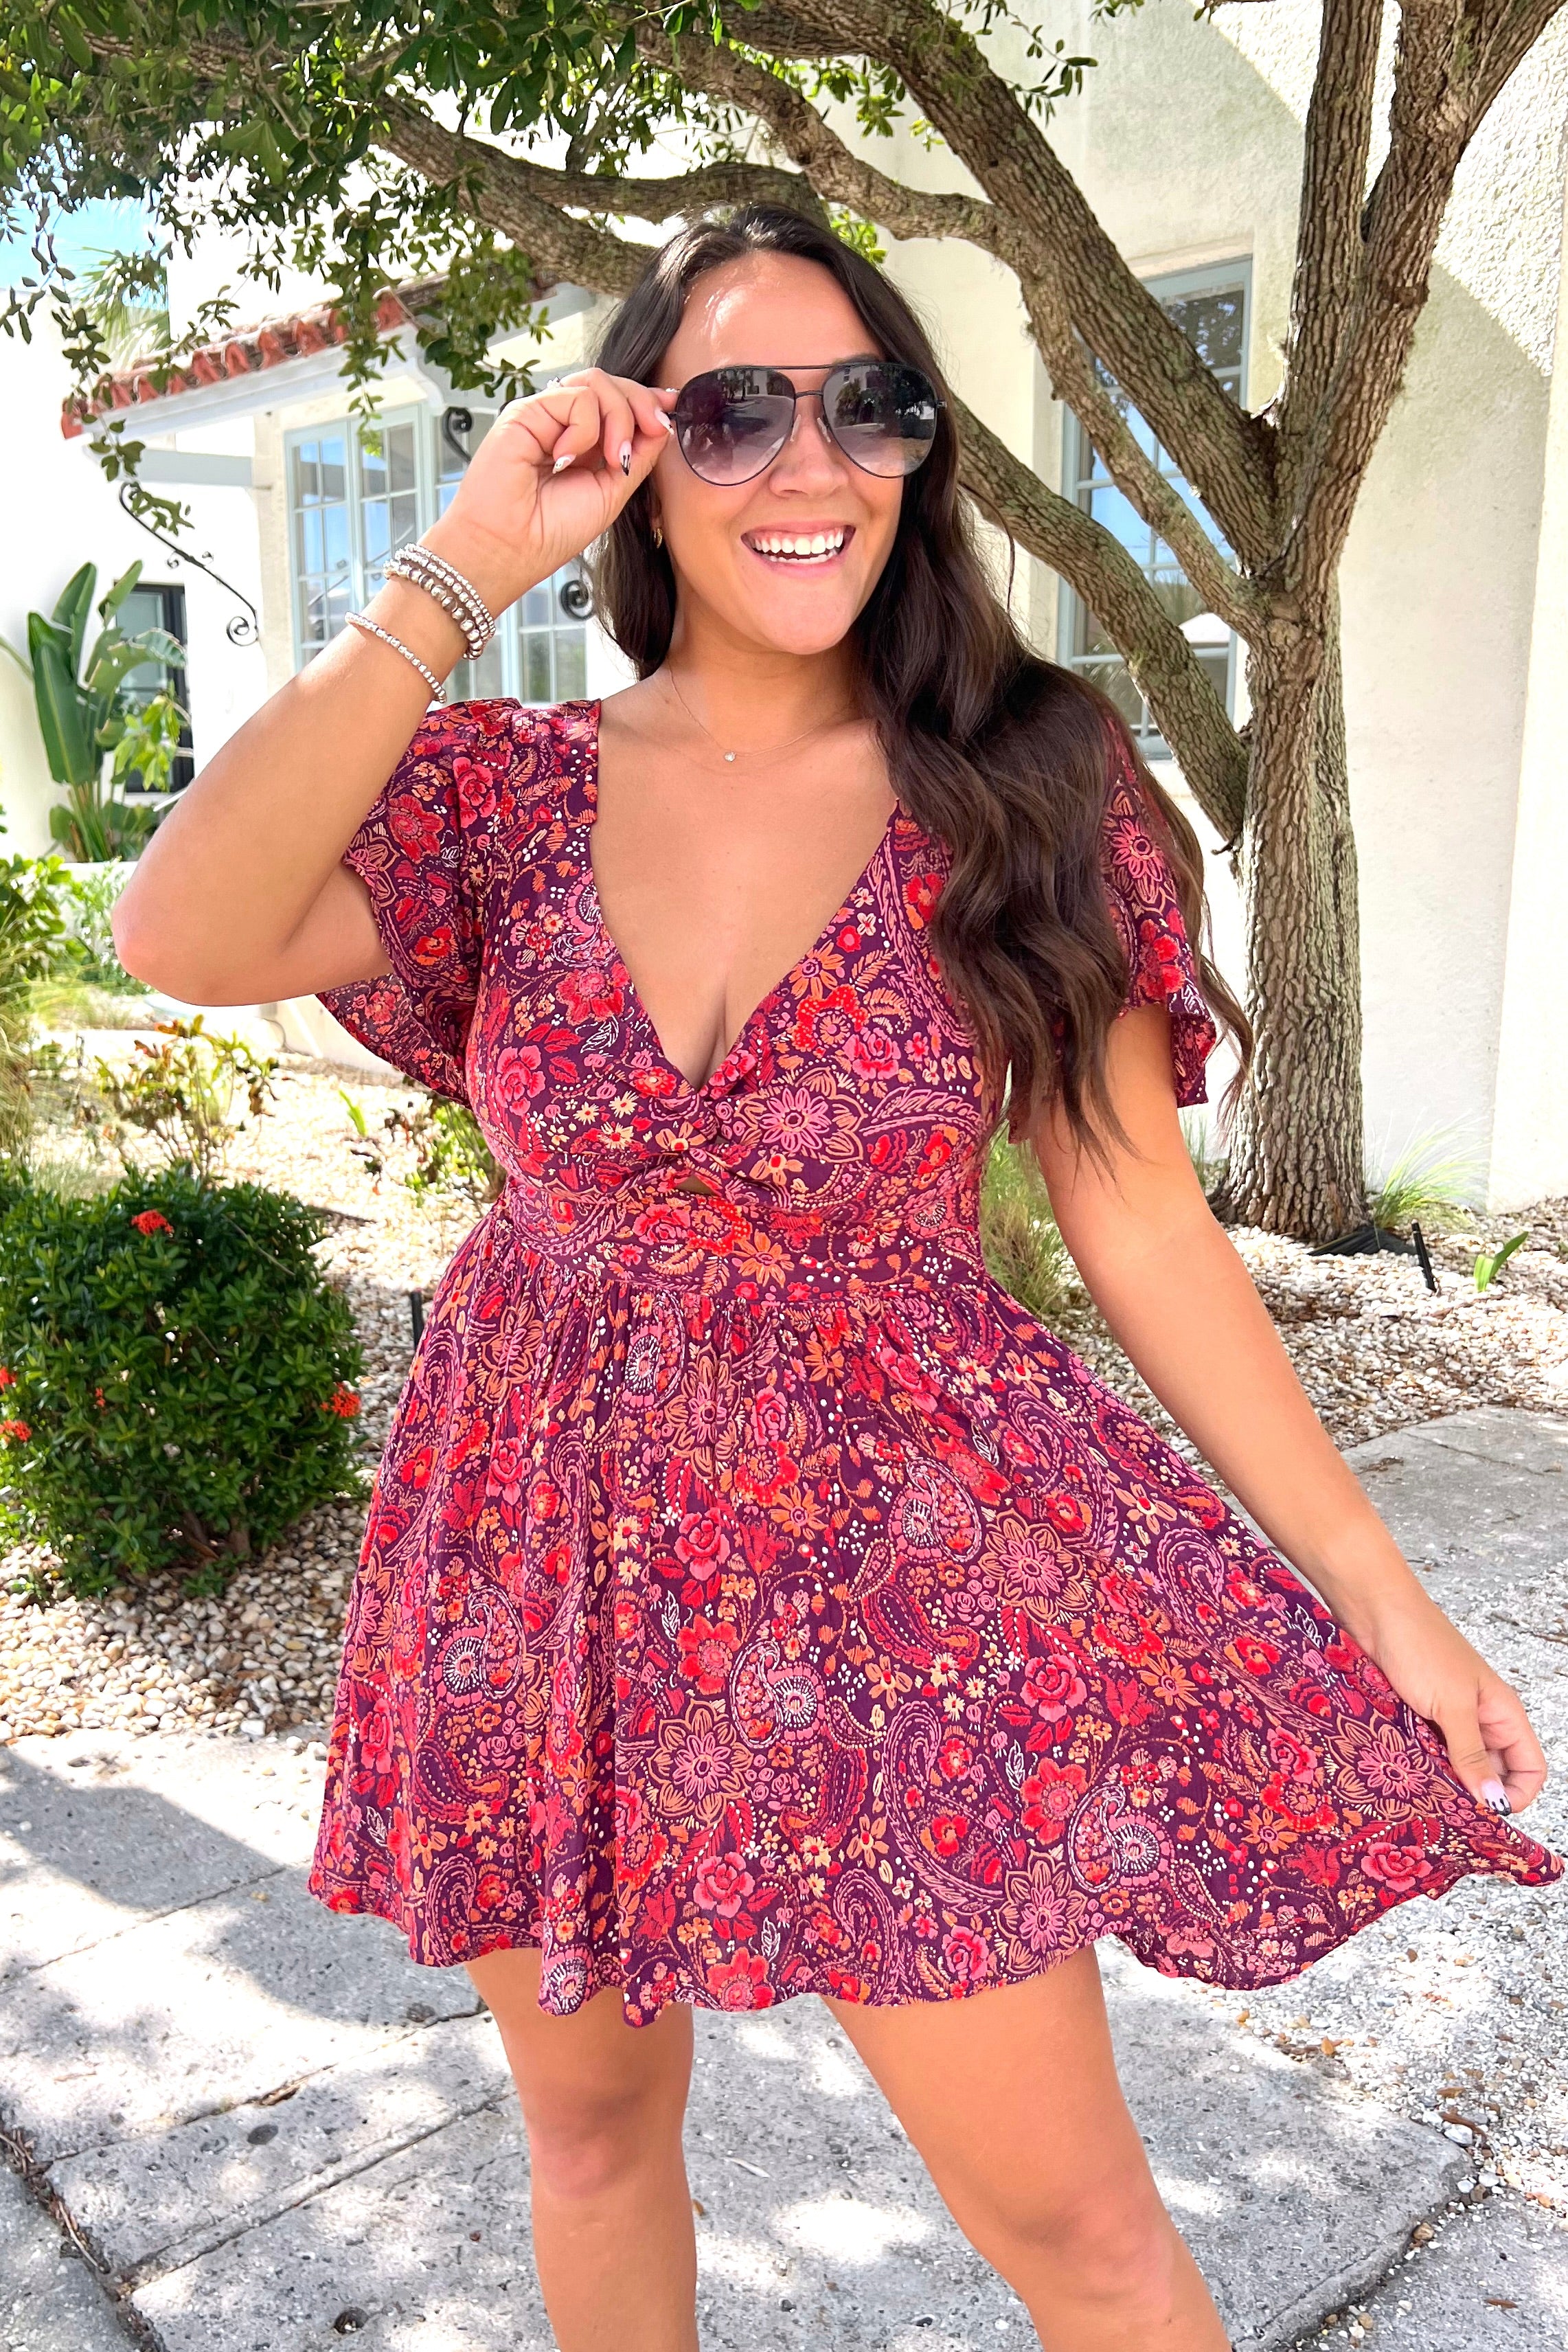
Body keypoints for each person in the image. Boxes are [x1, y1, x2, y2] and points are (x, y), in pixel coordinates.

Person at [114, 204, 1557, 2352]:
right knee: (592, 2145)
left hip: (902, 1571)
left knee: (1073, 2222)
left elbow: (1137, 1217)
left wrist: (1375, 1588)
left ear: (917, 451)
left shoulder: (1026, 788)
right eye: (733, 411)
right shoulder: (501, 796)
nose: (809, 462)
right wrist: (463, 564)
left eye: (866, 405)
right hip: (539, 1544)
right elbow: (182, 932)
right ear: (633, 454)